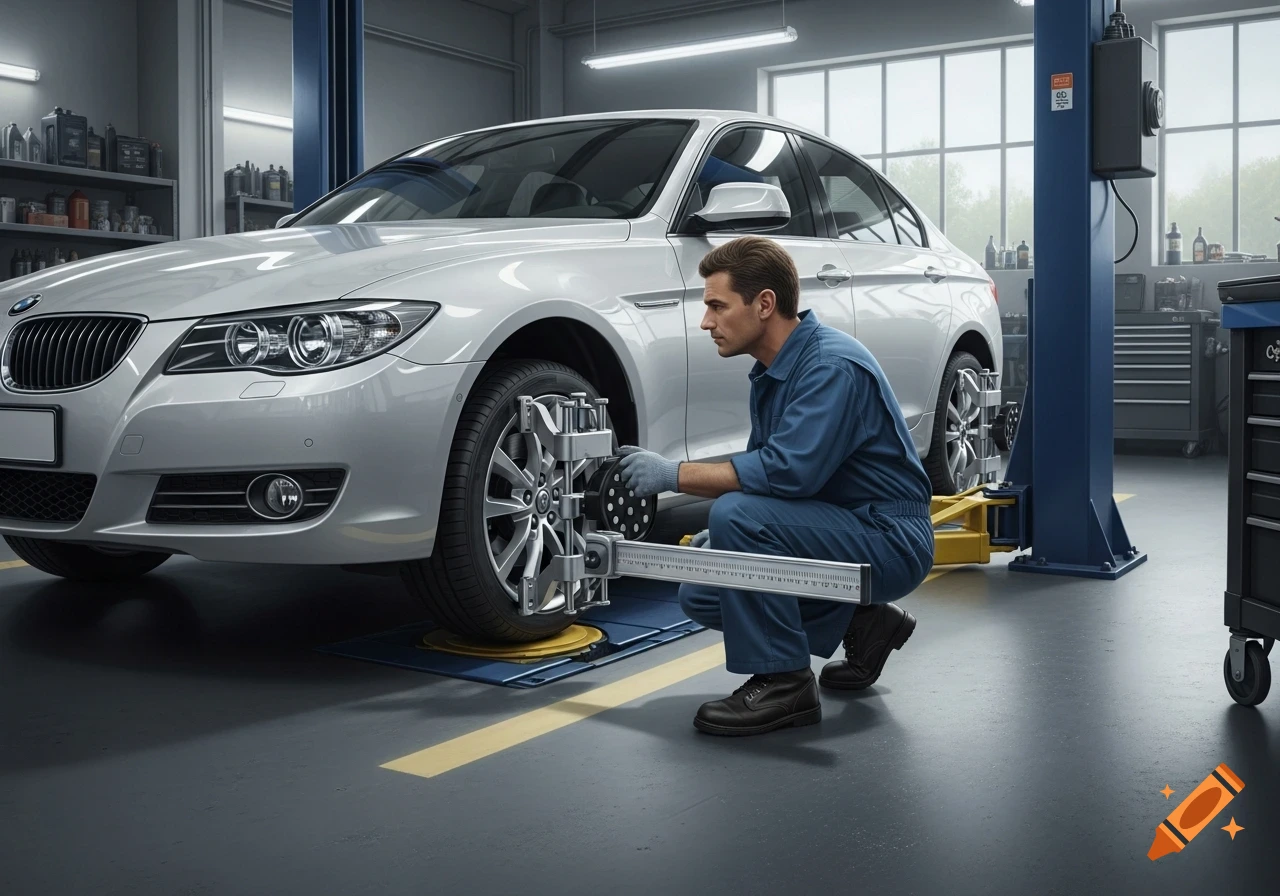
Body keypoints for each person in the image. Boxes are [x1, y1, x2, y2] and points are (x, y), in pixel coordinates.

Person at [617, 235, 935, 737]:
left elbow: (786, 473)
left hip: (889, 537)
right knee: (702, 592)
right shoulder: (775, 371)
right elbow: (769, 482)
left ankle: (786, 683)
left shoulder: (829, 367)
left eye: (717, 306)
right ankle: (863, 622)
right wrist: (729, 542)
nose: (706, 322)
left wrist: (674, 474)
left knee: (735, 515)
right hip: (845, 526)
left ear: (764, 304)